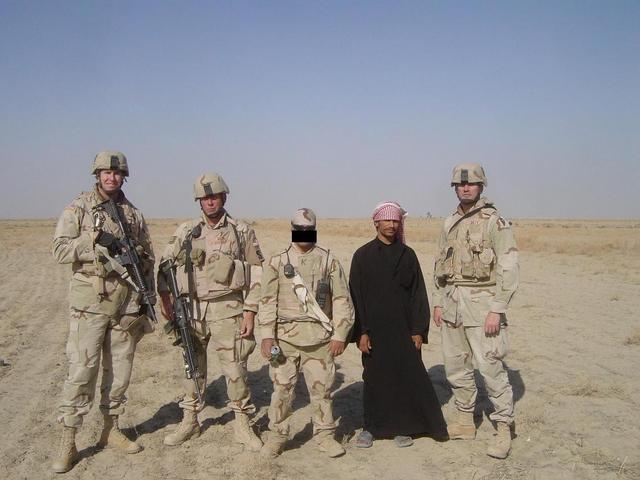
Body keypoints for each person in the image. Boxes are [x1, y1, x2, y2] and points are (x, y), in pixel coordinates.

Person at [51, 151, 155, 473]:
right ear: (97, 175)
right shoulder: (79, 207)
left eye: (117, 173)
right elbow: (59, 250)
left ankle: (111, 429)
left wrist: (146, 297)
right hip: (90, 305)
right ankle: (68, 440)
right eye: (106, 173)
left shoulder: (133, 214)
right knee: (82, 371)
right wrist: (92, 239)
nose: (112, 178)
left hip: (125, 304)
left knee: (120, 372)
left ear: (124, 176)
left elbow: (146, 258)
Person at [157, 172, 263, 451]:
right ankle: (190, 419)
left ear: (224, 197)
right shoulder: (186, 231)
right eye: (204, 198)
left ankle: (242, 422)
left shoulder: (241, 231)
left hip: (228, 310)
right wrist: (166, 299)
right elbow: (164, 266)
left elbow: (257, 274)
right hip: (191, 311)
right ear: (198, 201)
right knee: (192, 368)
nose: (209, 202)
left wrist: (250, 311)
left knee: (236, 368)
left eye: (214, 196)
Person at [432, 163, 519, 459]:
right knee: (456, 367)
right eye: (460, 184)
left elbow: (508, 268)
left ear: (481, 187)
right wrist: (438, 301)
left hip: (483, 306)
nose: (465, 188)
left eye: (470, 184)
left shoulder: (495, 222)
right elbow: (440, 265)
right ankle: (465, 421)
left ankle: (503, 427)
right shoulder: (449, 222)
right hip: (453, 302)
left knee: (491, 367)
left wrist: (497, 309)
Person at [349, 202, 448, 449]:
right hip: (374, 331)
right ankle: (371, 427)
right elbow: (356, 297)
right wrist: (361, 332)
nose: (392, 225)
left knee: (404, 377)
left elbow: (418, 295)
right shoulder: (362, 256)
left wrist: (418, 330)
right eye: (387, 221)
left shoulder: (408, 255)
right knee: (374, 378)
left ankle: (403, 427)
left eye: (396, 221)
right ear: (376, 223)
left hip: (404, 331)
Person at [259, 208, 354, 458]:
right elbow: (267, 300)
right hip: (286, 339)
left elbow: (343, 299)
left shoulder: (329, 261)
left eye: (308, 229)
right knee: (281, 390)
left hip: (319, 340)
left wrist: (340, 335)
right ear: (292, 229)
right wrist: (268, 335)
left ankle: (324, 435)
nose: (304, 233)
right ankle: (277, 436)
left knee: (321, 391)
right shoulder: (277, 262)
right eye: (299, 229)